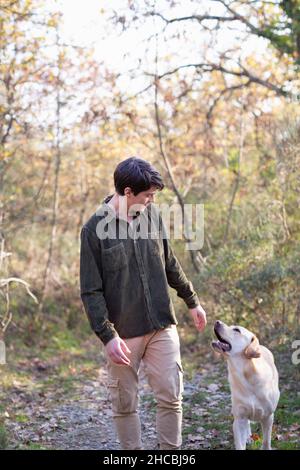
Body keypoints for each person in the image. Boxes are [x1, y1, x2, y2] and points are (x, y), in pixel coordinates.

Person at [80, 156, 207, 450]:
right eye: (147, 195)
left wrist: (191, 300)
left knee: (171, 398)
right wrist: (107, 336)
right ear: (127, 192)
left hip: (162, 324)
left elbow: (169, 262)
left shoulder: (152, 216)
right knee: (125, 404)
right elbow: (90, 291)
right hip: (123, 335)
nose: (151, 200)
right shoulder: (93, 231)